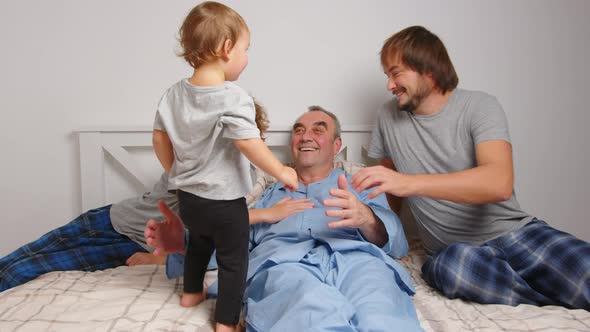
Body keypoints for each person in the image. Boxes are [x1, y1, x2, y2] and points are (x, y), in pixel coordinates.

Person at [351, 25, 590, 310]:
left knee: (582, 269)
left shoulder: (479, 106)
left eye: (396, 73)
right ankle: (555, 304)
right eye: (387, 76)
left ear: (427, 68)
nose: (389, 85)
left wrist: (408, 182)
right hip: (454, 254)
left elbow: (498, 183)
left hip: (517, 234)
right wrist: (393, 241)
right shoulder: (387, 117)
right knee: (448, 269)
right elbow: (390, 194)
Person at [146, 107, 423, 331]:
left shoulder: (362, 185)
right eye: (299, 130)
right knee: (309, 311)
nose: (305, 136)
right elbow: (232, 245)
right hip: (285, 265)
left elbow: (397, 245)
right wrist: (184, 242)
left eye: (318, 129)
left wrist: (366, 218)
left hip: (359, 262)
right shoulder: (267, 196)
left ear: (337, 144)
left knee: (382, 315)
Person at [152, 2, 297, 330]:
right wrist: (282, 172)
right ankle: (226, 323)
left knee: (199, 244)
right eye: (246, 49)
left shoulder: (173, 94)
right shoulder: (233, 96)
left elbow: (159, 138)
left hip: (189, 200)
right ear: (227, 48)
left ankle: (190, 294)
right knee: (234, 262)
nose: (246, 58)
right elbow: (248, 142)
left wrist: (175, 170)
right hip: (224, 203)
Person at [0, 172, 177, 292]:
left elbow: (203, 241)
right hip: (109, 218)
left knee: (17, 274)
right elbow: (160, 137)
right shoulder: (188, 161)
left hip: (133, 245)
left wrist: (162, 259)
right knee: (6, 264)